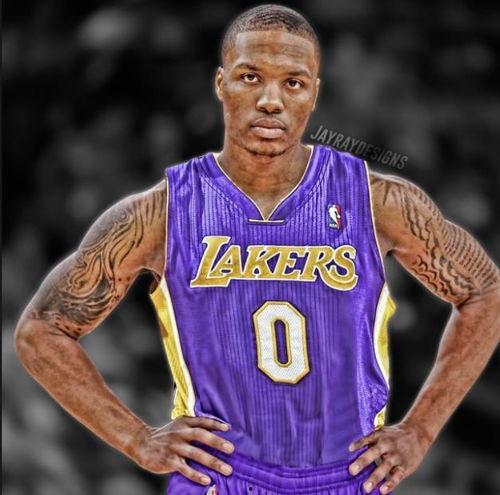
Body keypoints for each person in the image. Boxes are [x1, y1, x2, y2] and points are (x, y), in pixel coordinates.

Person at [14, 4, 499, 495]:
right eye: (251, 78)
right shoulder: (162, 212)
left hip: (346, 476)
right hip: (219, 478)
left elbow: (486, 293)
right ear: (220, 84)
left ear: (314, 94)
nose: (271, 100)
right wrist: (137, 439)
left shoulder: (377, 203)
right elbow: (41, 332)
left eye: (293, 83)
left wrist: (420, 430)